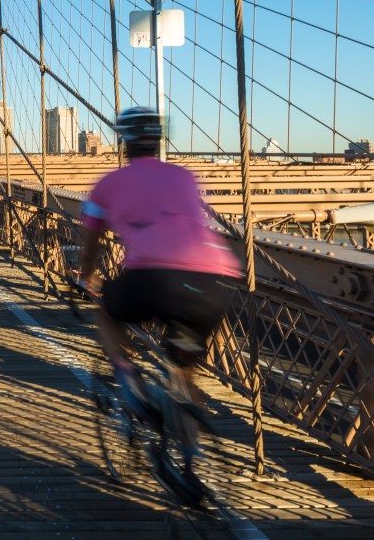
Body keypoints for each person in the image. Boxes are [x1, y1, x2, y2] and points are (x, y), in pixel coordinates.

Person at [77, 107, 242, 492]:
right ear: (158, 140)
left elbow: (90, 244)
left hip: (152, 281)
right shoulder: (184, 176)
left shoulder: (108, 184)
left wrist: (86, 277)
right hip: (211, 288)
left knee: (105, 310)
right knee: (183, 377)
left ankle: (129, 379)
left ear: (125, 142)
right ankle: (190, 469)